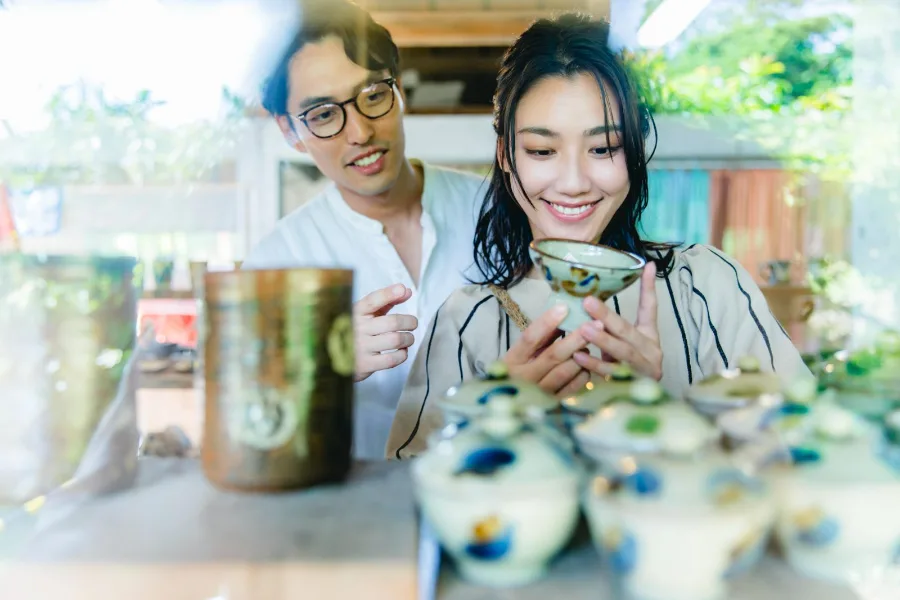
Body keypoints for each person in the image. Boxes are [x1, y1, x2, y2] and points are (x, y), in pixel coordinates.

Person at [386, 13, 810, 460]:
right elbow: (407, 495)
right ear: (505, 155)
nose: (573, 182)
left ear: (634, 151)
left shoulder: (704, 285)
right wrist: (496, 419)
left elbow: (805, 453)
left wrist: (655, 405)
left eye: (603, 148)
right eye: (542, 150)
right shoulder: (466, 322)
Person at [242, 0, 487, 459]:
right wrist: (321, 363)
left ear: (399, 92)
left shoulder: (495, 212)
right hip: (352, 515)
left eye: (373, 95)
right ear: (290, 131)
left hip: (496, 494)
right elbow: (252, 423)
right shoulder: (276, 264)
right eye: (322, 115)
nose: (359, 132)